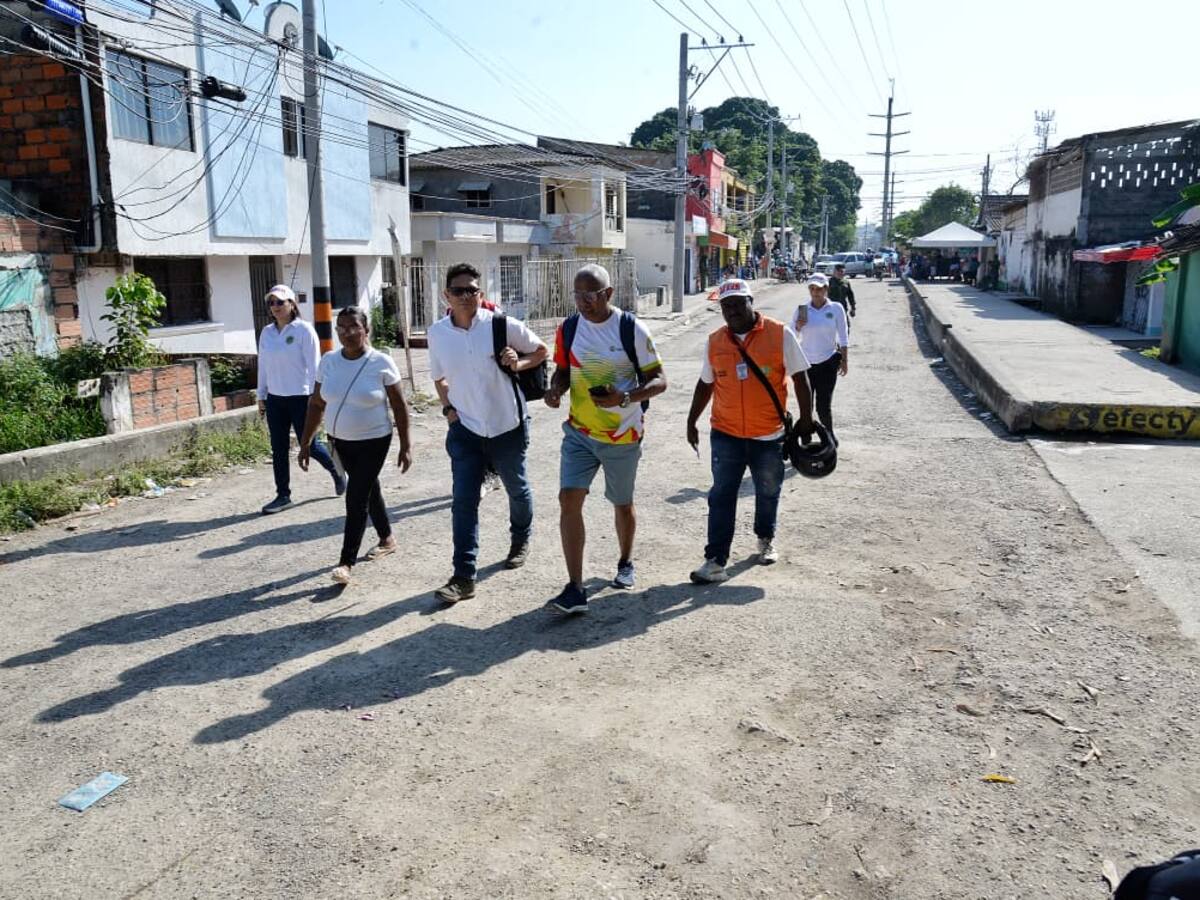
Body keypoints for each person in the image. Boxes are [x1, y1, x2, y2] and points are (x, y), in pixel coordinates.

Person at [543, 264, 668, 614]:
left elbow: (659, 381)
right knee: (568, 499)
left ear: (608, 294)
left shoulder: (631, 329)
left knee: (622, 503)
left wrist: (624, 399)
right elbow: (564, 371)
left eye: (591, 295)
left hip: (622, 435)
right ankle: (575, 588)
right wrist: (555, 389)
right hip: (579, 432)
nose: (583, 302)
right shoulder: (568, 328)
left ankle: (625, 561)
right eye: (578, 295)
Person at [427, 263, 548, 604]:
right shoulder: (437, 334)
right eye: (459, 291)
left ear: (481, 294)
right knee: (464, 502)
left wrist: (518, 363)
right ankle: (463, 576)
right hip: (465, 429)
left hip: (507, 425)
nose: (466, 296)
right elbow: (439, 377)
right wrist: (449, 411)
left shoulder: (500, 325)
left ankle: (520, 537)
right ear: (446, 295)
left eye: (473, 290)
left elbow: (541, 351)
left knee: (517, 488)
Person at [686, 279, 814, 584]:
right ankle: (715, 560)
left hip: (768, 434)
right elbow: (706, 383)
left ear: (750, 301)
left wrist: (808, 419)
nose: (731, 311)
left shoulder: (779, 333)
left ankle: (765, 538)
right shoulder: (715, 340)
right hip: (726, 432)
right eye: (725, 306)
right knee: (721, 495)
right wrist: (691, 420)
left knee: (768, 490)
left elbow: (800, 377)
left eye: (737, 304)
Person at [298, 307, 412, 585]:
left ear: (366, 330)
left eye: (353, 327)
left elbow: (399, 406)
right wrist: (305, 442)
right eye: (341, 328)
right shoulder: (328, 362)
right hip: (340, 441)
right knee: (369, 489)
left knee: (356, 496)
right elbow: (316, 404)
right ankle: (387, 538)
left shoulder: (381, 362)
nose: (346, 333)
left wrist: (406, 445)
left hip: (375, 440)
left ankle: (345, 562)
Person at [255, 284, 343, 514]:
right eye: (271, 303)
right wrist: (261, 395)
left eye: (280, 302)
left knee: (310, 445)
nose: (275, 307)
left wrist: (318, 398)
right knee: (279, 447)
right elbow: (262, 365)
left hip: (301, 397)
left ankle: (337, 472)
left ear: (292, 304)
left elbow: (316, 367)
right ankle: (283, 495)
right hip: (275, 398)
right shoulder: (267, 332)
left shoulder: (304, 330)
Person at [792, 273, 849, 444]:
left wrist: (845, 360)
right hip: (806, 364)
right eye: (812, 289)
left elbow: (843, 335)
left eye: (819, 289)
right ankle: (806, 437)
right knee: (806, 405)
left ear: (826, 289)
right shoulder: (802, 309)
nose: (815, 292)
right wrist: (798, 326)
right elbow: (791, 335)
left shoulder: (836, 308)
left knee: (823, 406)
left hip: (828, 362)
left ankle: (829, 436)